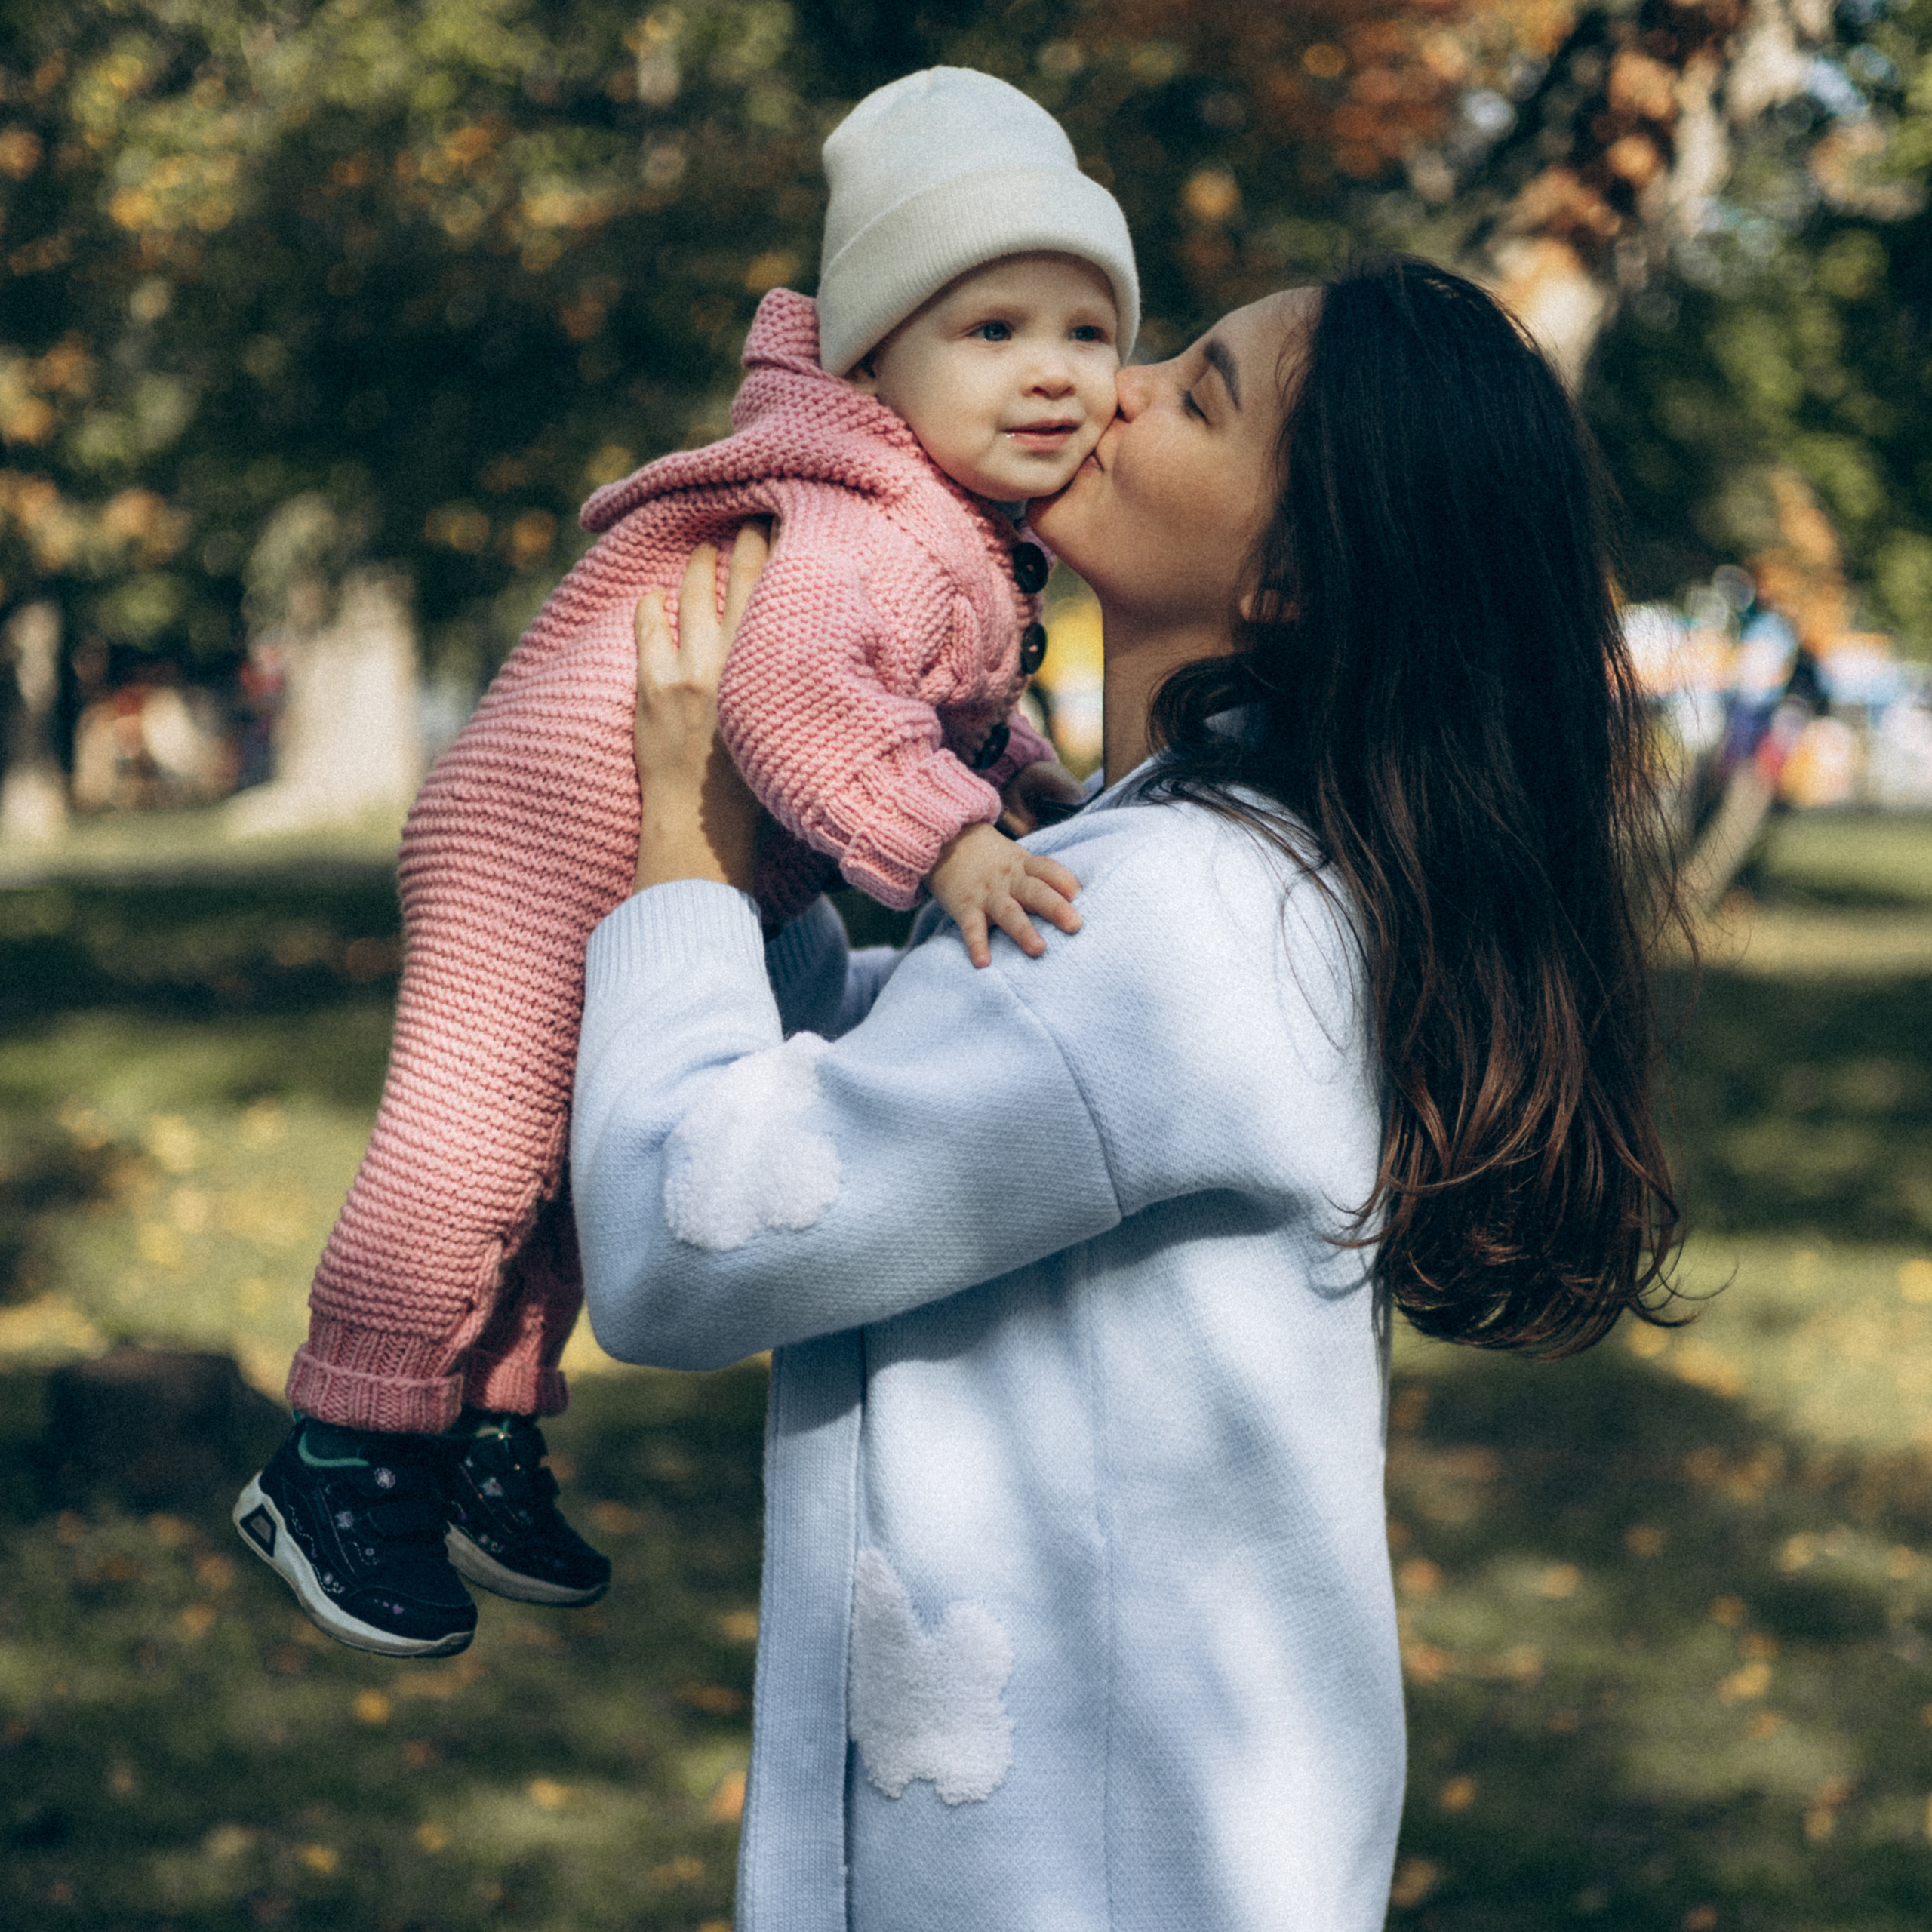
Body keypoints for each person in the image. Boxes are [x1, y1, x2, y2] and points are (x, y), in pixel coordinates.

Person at [572, 257, 1684, 1929]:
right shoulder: (1225, 876)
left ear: (1297, 573)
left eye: (1200, 389)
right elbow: (886, 1082)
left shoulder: (1164, 923)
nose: (1119, 382)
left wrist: (677, 837)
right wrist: (773, 851)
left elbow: (682, 1242)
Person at [233, 66, 1137, 1658]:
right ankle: (338, 1447)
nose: (1052, 373)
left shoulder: (952, 530)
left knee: (571, 1179)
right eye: (990, 332)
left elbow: (948, 718)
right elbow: (798, 701)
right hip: (537, 838)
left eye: (1087, 331)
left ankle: (479, 1431)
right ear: (874, 355)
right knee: (471, 1148)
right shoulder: (859, 516)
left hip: (646, 867)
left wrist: (1037, 799)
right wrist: (951, 846)